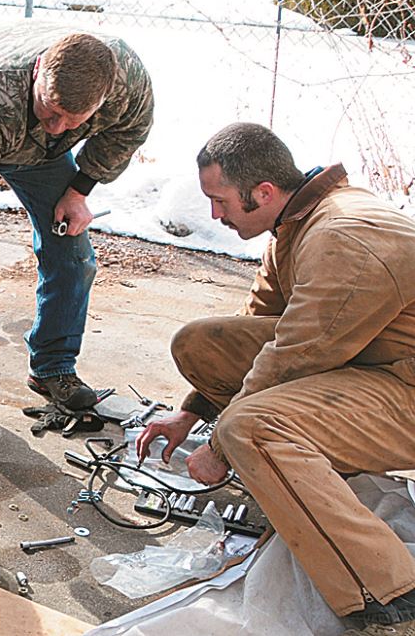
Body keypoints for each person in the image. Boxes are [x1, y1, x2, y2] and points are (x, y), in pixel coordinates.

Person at [137, 123, 415, 629]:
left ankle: (387, 589)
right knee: (202, 343)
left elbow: (293, 355)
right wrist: (190, 413)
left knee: (253, 427)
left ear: (263, 192)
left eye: (219, 201)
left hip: (408, 390)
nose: (214, 215)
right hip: (379, 365)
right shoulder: (296, 223)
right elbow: (255, 331)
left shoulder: (343, 238)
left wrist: (220, 444)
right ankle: (313, 483)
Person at [0, 23, 154, 444]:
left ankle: (53, 367)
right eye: (51, 111)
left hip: (42, 158)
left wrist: (79, 190)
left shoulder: (126, 81)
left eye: (73, 120)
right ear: (38, 72)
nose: (58, 127)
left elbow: (129, 132)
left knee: (75, 256)